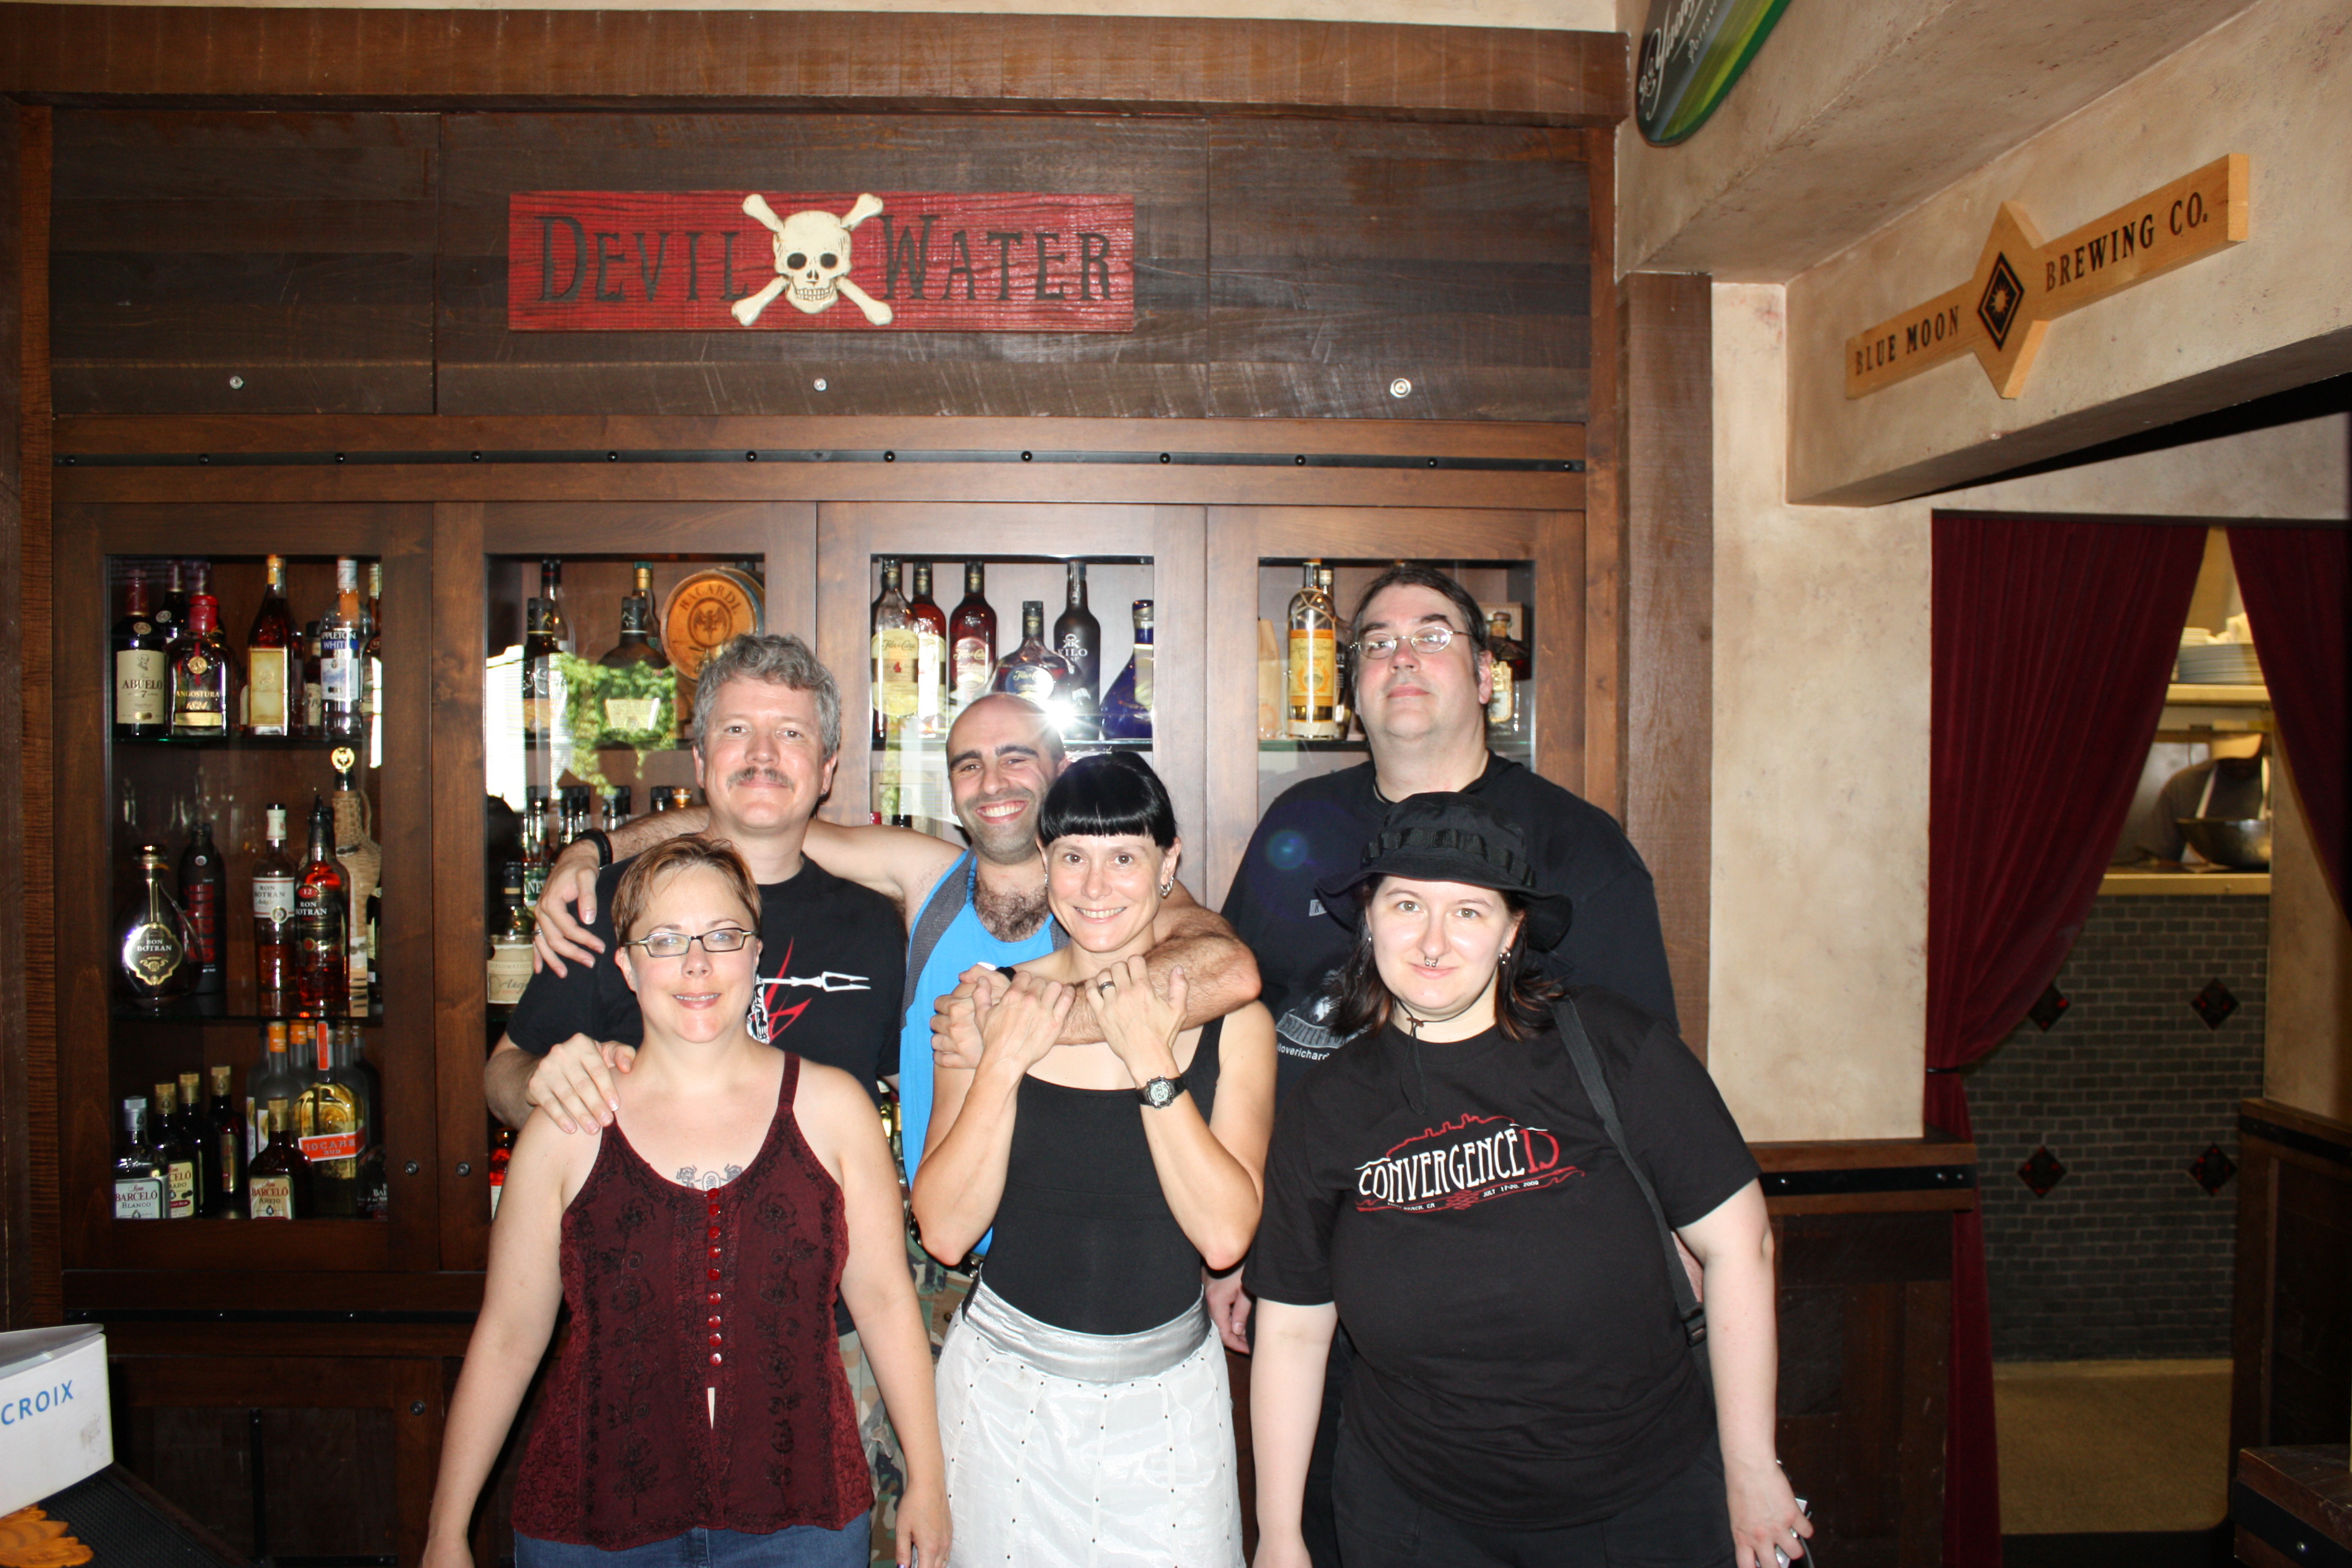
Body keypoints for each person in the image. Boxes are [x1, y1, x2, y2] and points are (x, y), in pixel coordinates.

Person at [529, 689, 1261, 1335]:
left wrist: (1018, 1020)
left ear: (1061, 769)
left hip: (1098, 1268)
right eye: (969, 765)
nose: (993, 782)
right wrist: (596, 847)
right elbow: (753, 820)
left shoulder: (1115, 899)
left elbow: (1230, 969)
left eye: (1016, 758)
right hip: (933, 1258)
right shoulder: (926, 877)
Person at [1217, 563, 1680, 1564]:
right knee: (1341, 1528)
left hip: (1523, 1321)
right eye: (1377, 643)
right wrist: (1237, 1245)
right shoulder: (1299, 827)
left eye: (1432, 635)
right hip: (1318, 1280)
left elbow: (1652, 1094)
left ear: (1484, 677)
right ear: (1351, 687)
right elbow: (1236, 1017)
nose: (1402, 658)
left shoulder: (1577, 848)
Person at [1246, 792, 1807, 1568]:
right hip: (1414, 1518)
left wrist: (1750, 1468)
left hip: (1642, 1506)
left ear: (1513, 931)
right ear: (1369, 919)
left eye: (1468, 911)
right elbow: (1292, 1330)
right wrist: (1280, 1536)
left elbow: (1742, 1247)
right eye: (1407, 905)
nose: (1434, 941)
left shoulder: (1612, 1044)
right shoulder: (1325, 1105)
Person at [484, 634, 912, 1556]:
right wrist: (547, 1093)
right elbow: (504, 1072)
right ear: (699, 754)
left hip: (826, 1353)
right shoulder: (606, 907)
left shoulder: (878, 926)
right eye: (737, 730)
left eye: (790, 734)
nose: (763, 755)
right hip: (635, 1354)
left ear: (829, 767)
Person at [424, 837, 950, 1568]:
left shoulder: (835, 1111)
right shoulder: (568, 1126)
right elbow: (510, 1336)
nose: (697, 964)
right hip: (591, 1530)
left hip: (801, 1523)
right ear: (626, 967)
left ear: (756, 954)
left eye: (723, 936)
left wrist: (928, 1479)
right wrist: (447, 1531)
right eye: (666, 941)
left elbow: (887, 1303)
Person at [912, 753, 1276, 1568]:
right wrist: (1005, 1059)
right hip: (1002, 1395)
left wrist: (1149, 1058)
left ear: (1169, 864)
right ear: (1045, 862)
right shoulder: (984, 1004)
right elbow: (945, 1229)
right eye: (1074, 856)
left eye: (1125, 857)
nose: (1096, 885)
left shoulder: (1235, 1023)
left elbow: (1225, 1237)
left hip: (1170, 1407)